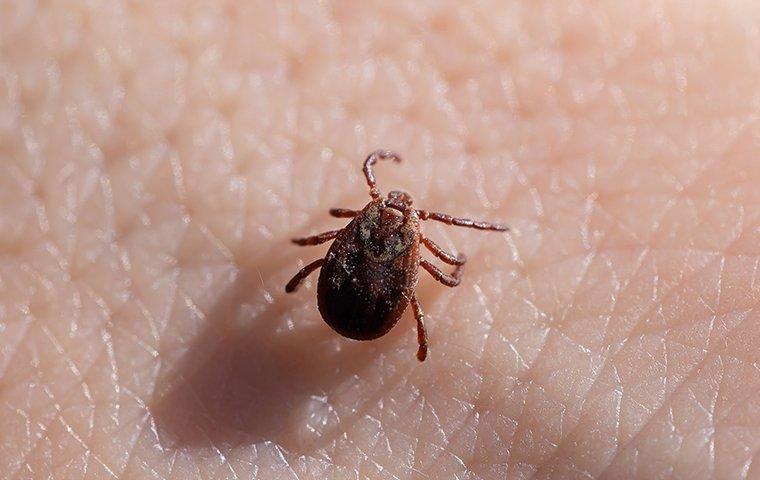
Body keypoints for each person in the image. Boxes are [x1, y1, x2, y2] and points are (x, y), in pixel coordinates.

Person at [1, 2, 758, 478]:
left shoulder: (358, 228)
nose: (394, 212)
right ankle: (412, 314)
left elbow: (321, 246)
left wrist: (364, 258)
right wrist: (443, 271)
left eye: (388, 213)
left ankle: (398, 308)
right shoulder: (406, 240)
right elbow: (418, 262)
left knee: (349, 281)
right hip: (361, 308)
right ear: (369, 218)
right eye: (385, 210)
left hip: (346, 303)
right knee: (408, 287)